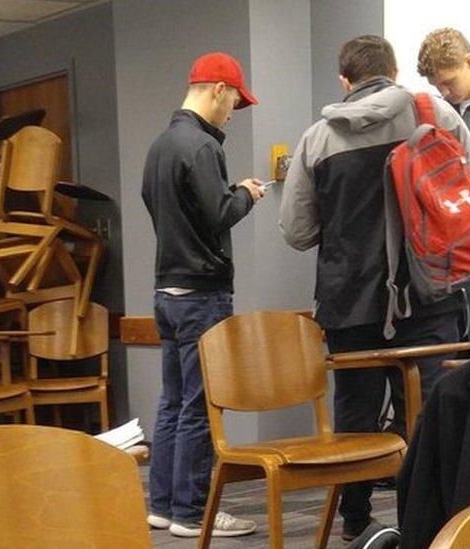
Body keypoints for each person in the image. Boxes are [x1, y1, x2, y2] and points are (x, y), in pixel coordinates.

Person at [280, 35, 470, 542]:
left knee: (355, 416)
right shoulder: (435, 113)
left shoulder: (316, 139)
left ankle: (358, 522)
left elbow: (297, 232)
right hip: (429, 294)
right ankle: (440, 524)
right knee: (435, 409)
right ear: (394, 72)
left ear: (344, 81)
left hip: (350, 302)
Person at [142, 51, 265, 539]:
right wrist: (247, 195)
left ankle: (165, 506)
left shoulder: (160, 145)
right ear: (217, 89)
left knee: (172, 403)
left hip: (166, 292)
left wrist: (228, 192)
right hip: (201, 297)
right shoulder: (203, 146)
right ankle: (195, 514)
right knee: (199, 406)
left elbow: (169, 206)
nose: (233, 109)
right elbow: (218, 215)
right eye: (235, 98)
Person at [417, 28, 470, 356]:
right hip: (451, 256)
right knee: (458, 359)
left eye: (449, 82)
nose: (444, 92)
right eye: (437, 86)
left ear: (469, 61)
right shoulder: (435, 116)